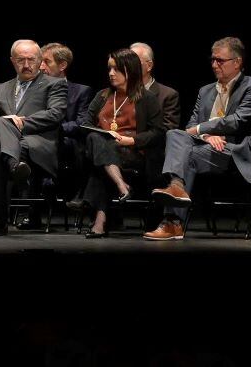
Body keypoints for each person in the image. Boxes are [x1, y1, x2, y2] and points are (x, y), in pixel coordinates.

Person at [145, 36, 251, 240]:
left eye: (220, 60)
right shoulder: (206, 90)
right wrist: (206, 135)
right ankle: (176, 191)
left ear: (237, 62)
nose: (214, 64)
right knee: (174, 134)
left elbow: (238, 120)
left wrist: (202, 130)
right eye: (212, 59)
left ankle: (172, 220)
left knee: (186, 153)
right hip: (206, 148)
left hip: (235, 151)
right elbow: (191, 126)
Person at [0, 39, 68, 237]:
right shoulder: (0, 89)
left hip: (38, 144)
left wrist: (20, 123)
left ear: (40, 60)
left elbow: (55, 114)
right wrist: (6, 122)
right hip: (12, 148)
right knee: (0, 127)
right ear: (12, 61)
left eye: (31, 59)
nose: (26, 65)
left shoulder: (54, 84)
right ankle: (14, 165)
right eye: (20, 60)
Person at [74, 49, 167, 238]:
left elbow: (158, 132)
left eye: (116, 69)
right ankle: (121, 186)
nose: (111, 73)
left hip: (132, 152)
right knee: (96, 139)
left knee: (99, 161)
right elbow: (85, 123)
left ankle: (93, 211)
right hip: (104, 152)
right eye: (109, 69)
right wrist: (105, 134)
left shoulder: (146, 99)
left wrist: (132, 139)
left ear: (130, 70)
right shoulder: (103, 96)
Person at [41, 42, 94, 205]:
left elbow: (82, 123)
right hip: (39, 139)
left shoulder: (81, 91)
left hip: (66, 141)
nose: (41, 67)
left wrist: (56, 129)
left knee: (73, 144)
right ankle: (31, 206)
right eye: (40, 62)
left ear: (62, 65)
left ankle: (74, 191)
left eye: (46, 62)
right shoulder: (34, 90)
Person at [131, 42, 181, 130]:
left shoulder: (168, 95)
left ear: (149, 66)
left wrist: (135, 140)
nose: (128, 66)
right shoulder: (120, 92)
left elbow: (168, 131)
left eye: (134, 61)